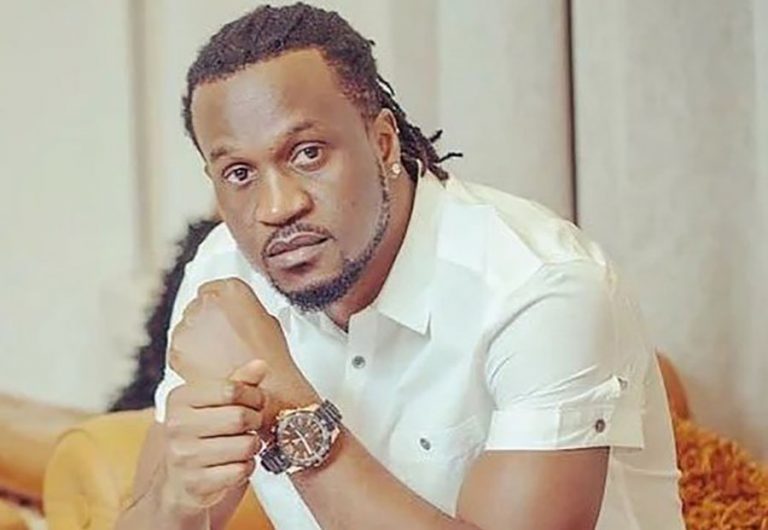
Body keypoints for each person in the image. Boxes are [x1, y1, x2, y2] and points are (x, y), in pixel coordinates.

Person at [115, 3, 686, 529]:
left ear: (383, 142)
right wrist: (175, 499)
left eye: (308, 153)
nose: (277, 207)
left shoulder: (542, 289)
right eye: (239, 173)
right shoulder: (225, 274)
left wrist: (295, 414)